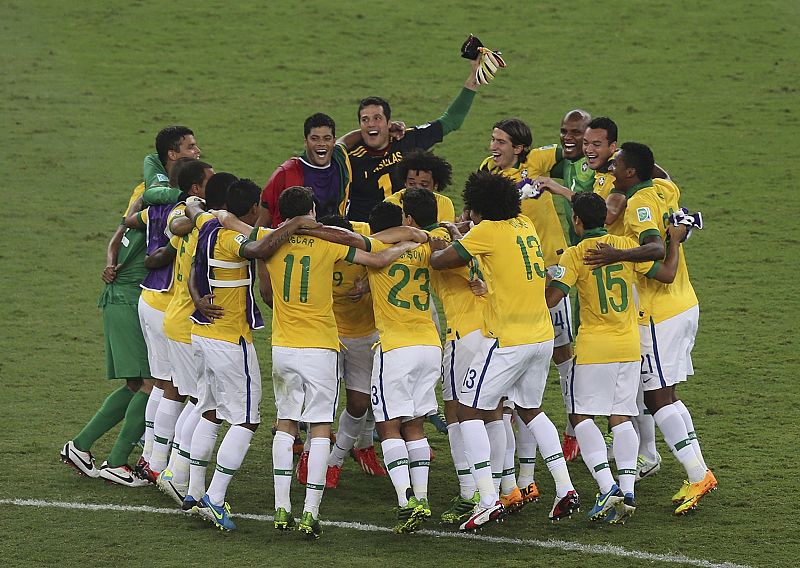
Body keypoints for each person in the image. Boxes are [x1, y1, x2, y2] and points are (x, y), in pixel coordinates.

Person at [430, 172, 579, 531]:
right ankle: (564, 486)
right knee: (530, 409)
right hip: (541, 335)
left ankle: (485, 500)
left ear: (480, 207)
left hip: (507, 340)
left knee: (467, 411)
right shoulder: (523, 222)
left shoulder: (485, 232)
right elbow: (491, 252)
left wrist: (435, 238)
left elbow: (441, 261)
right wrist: (465, 232)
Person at [585, 142, 716, 515]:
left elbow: (656, 250)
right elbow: (665, 176)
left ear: (631, 173)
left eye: (618, 162)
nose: (611, 166)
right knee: (661, 394)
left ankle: (697, 473)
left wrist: (617, 254)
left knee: (658, 397)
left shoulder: (640, 203)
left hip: (659, 312)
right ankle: (692, 468)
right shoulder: (662, 188)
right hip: (682, 302)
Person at [545, 192, 685, 524]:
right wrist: (675, 243)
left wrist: (541, 277)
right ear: (604, 219)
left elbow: (553, 299)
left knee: (580, 417)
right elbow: (666, 273)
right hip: (628, 345)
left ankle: (607, 487)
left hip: (595, 347)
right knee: (621, 417)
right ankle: (627, 490)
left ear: (577, 222)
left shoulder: (577, 254)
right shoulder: (624, 246)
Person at [477, 118, 577, 473]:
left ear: (519, 148)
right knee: (520, 363)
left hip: (550, 269)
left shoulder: (536, 161)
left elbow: (573, 148)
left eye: (500, 141)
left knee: (563, 355)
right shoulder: (487, 171)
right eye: (492, 139)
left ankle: (574, 427)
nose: (493, 147)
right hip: (513, 278)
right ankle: (520, 460)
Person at [60, 187, 154, 487]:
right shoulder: (162, 210)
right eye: (190, 147)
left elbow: (120, 231)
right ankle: (116, 463)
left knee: (136, 384)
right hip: (127, 302)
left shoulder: (145, 196)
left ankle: (80, 446)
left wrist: (112, 262)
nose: (197, 150)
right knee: (150, 384)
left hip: (122, 301)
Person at [341, 59, 481, 221]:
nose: (371, 124)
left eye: (377, 118)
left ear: (389, 122)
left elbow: (452, 121)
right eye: (365, 120)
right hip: (367, 232)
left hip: (411, 226)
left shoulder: (407, 139)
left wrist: (473, 79)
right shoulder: (350, 157)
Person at [319, 214, 387, 488]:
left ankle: (336, 460)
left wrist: (368, 285)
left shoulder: (366, 245)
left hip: (363, 336)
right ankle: (315, 457)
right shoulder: (316, 251)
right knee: (322, 403)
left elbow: (391, 263)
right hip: (326, 336)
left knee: (360, 403)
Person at [257, 113, 351, 228]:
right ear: (306, 142)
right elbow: (264, 219)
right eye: (314, 139)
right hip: (296, 243)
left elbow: (350, 139)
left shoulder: (340, 160)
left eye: (327, 139)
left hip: (334, 241)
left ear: (334, 141)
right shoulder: (285, 173)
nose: (321, 144)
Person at [384, 149, 456, 223]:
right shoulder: (391, 204)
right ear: (405, 183)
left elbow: (445, 232)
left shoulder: (444, 203)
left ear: (435, 185)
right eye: (411, 184)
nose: (417, 188)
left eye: (424, 185)